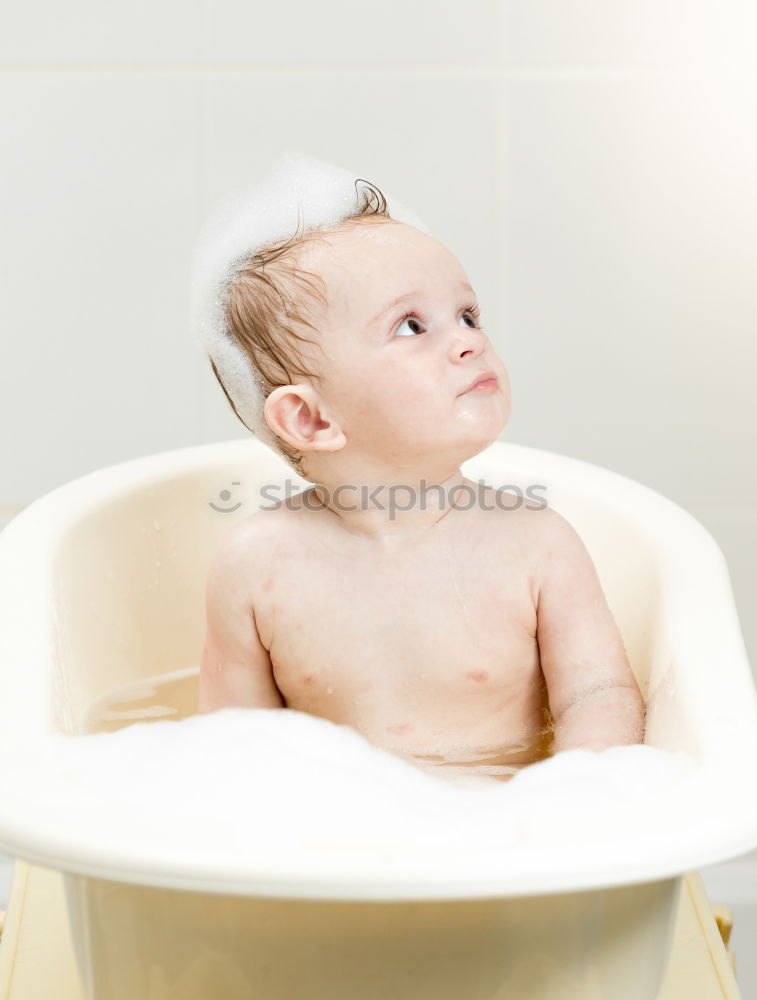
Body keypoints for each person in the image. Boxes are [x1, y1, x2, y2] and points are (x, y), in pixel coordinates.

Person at [195, 155, 645, 782]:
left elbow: (598, 696)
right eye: (411, 326)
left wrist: (576, 800)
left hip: (504, 827)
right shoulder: (256, 565)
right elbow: (230, 741)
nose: (469, 341)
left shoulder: (536, 544)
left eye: (468, 315)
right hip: (330, 844)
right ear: (311, 419)